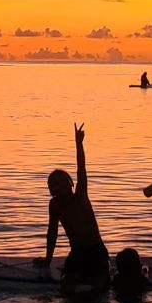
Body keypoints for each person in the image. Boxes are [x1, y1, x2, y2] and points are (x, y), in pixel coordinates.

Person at [35, 123, 109, 294]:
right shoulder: (55, 206)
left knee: (101, 286)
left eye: (62, 181)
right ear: (50, 190)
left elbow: (81, 168)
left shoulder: (81, 196)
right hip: (77, 253)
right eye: (54, 184)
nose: (58, 186)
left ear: (71, 183)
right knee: (67, 285)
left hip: (96, 250)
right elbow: (52, 233)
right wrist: (48, 260)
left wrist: (79, 143)